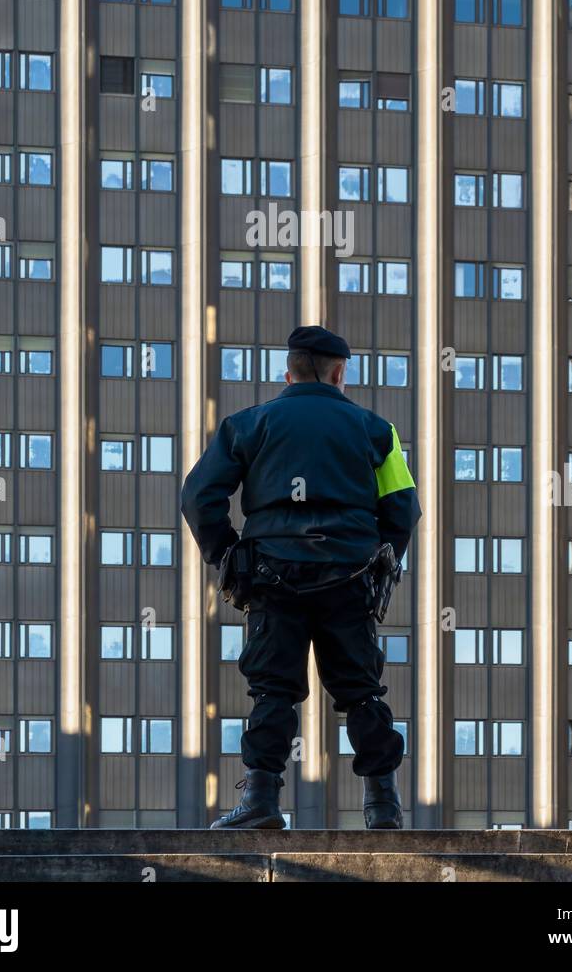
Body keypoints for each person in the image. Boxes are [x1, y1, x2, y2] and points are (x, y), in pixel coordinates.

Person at [181, 324, 421, 830]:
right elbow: (403, 508)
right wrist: (385, 564)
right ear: (339, 373)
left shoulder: (248, 424)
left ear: (288, 371)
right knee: (361, 691)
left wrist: (229, 556)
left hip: (273, 576)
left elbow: (198, 496)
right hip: (349, 577)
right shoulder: (376, 430)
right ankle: (383, 807)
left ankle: (261, 802)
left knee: (272, 690)